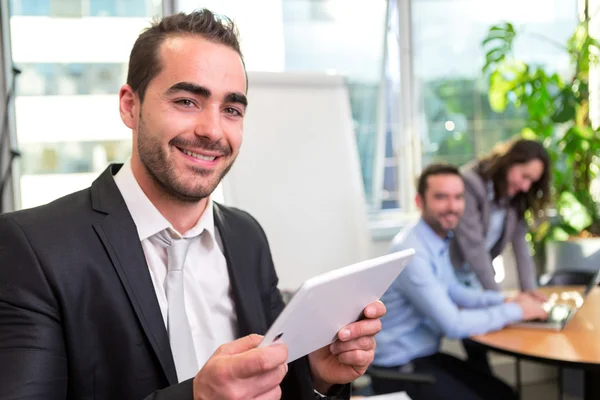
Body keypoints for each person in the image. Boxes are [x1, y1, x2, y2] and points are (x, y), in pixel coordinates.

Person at [0, 10, 385, 400]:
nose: (213, 130)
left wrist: (319, 378)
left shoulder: (246, 236)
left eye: (231, 110)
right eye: (187, 101)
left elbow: (274, 385)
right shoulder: (34, 246)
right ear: (130, 106)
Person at [371, 163, 548, 400]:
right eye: (441, 197)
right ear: (419, 202)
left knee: (504, 394)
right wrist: (516, 310)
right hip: (399, 367)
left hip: (424, 355)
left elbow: (453, 291)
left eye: (458, 197)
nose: (452, 207)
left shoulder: (438, 239)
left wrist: (504, 299)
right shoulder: (412, 252)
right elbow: (452, 324)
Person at [450, 137, 551, 293]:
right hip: (450, 274)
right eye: (524, 176)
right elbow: (474, 248)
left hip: (475, 280)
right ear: (509, 162)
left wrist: (531, 292)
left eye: (532, 182)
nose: (526, 187)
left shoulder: (513, 199)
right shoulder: (470, 184)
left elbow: (521, 247)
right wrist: (499, 298)